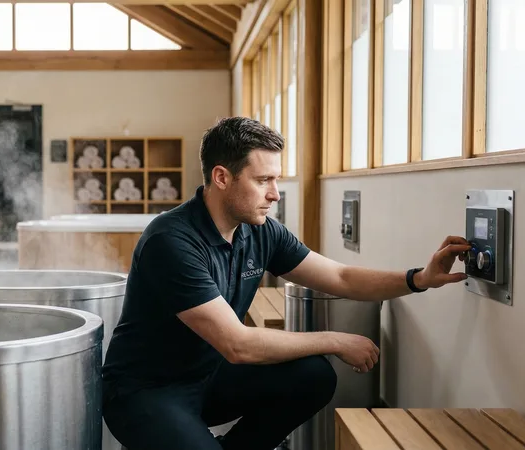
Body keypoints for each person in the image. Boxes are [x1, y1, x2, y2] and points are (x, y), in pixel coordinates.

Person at [101, 117, 471, 450]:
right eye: (263, 180)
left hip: (207, 378)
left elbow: (340, 277)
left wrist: (419, 279)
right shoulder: (172, 241)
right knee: (314, 357)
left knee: (313, 376)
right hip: (145, 392)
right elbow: (238, 345)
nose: (275, 193)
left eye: (275, 179)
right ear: (221, 177)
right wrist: (336, 339)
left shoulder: (260, 232)